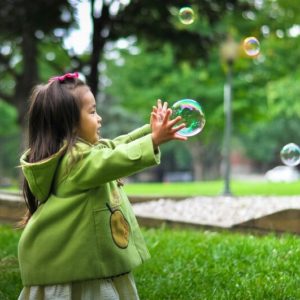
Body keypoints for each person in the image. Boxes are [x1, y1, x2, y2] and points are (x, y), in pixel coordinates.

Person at [18, 72, 187, 300]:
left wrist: (150, 131)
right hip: (75, 271)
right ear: (70, 124)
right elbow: (114, 159)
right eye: (92, 111)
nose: (99, 119)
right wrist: (154, 140)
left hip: (85, 264)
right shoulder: (74, 162)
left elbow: (116, 146)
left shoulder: (81, 153)